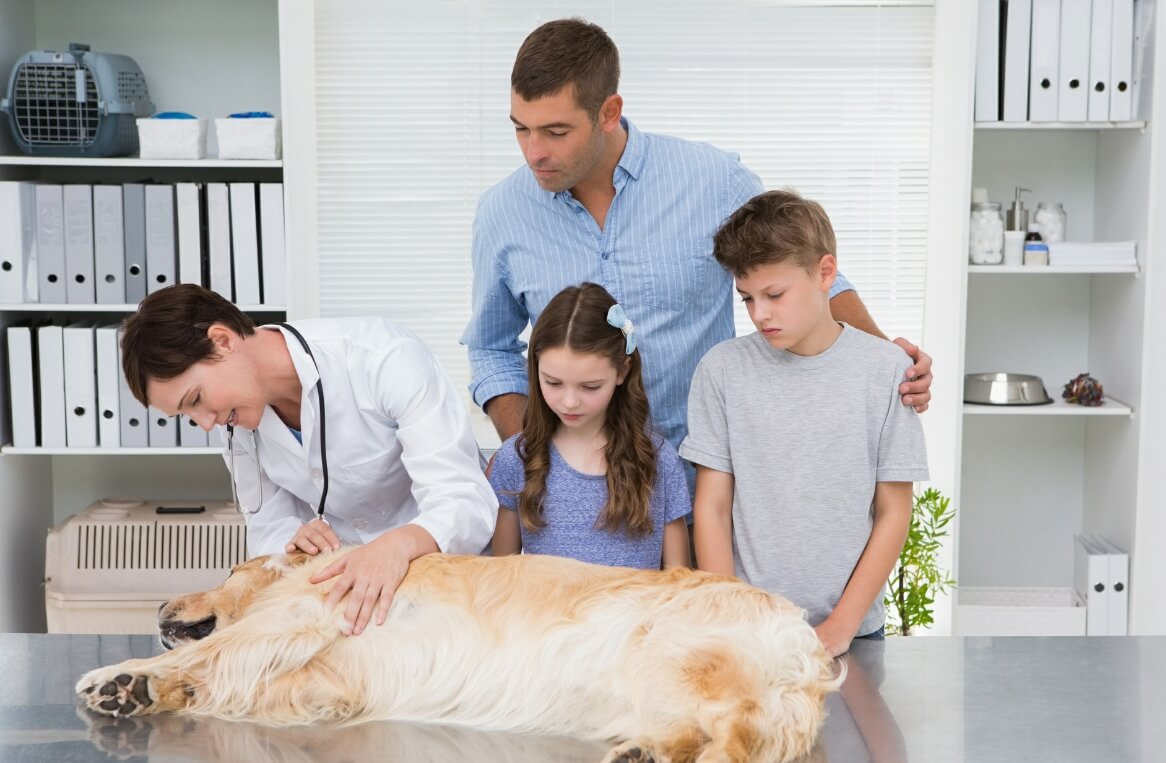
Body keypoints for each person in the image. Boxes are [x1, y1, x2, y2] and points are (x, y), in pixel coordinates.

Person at [463, 17, 934, 454]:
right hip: (577, 503)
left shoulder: (712, 181)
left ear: (608, 112)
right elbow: (491, 347)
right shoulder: (501, 212)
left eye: (555, 130)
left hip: (702, 483)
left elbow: (806, 274)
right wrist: (537, 456)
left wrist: (886, 360)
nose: (534, 152)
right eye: (521, 129)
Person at [121, 284, 497, 635]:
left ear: (222, 341)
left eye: (196, 400)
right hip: (344, 602)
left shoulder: (383, 357)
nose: (205, 423)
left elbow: (463, 499)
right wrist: (294, 542)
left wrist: (398, 546)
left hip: (447, 588)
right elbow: (267, 526)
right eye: (187, 416)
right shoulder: (235, 417)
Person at [682, 190, 929, 658]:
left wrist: (841, 625)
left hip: (853, 632)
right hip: (747, 633)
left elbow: (893, 512)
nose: (759, 314)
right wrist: (729, 615)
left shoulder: (887, 371)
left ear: (826, 273)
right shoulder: (721, 371)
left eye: (774, 294)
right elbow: (712, 507)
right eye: (747, 298)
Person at [488, 283, 691, 569]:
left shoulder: (658, 460)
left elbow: (679, 583)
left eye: (590, 386)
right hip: (545, 614)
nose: (570, 402)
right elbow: (501, 579)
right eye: (553, 383)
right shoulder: (516, 459)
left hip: (640, 614)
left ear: (622, 371)